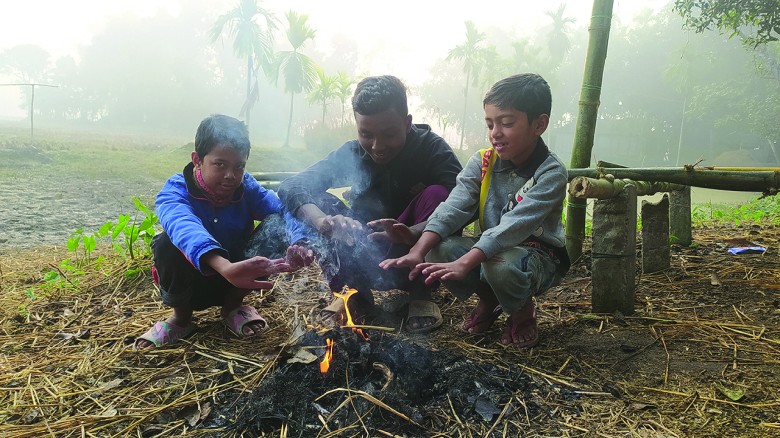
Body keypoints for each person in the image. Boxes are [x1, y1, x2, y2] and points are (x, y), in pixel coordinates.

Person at [380, 73, 570, 348]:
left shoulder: (551, 172)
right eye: (490, 124)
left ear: (539, 124)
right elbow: (453, 207)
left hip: (538, 255)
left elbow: (513, 226)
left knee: (501, 266)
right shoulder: (482, 162)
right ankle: (490, 300)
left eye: (506, 123)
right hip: (491, 249)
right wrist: (417, 251)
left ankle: (522, 312)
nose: (495, 133)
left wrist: (466, 262)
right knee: (439, 249)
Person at [266, 75, 462, 333]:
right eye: (366, 134)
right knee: (321, 203)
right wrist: (323, 221)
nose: (377, 146)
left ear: (407, 122)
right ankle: (353, 292)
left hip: (411, 250)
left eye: (389, 134)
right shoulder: (352, 153)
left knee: (438, 194)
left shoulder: (431, 149)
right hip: (361, 247)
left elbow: (464, 202)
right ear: (356, 125)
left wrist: (414, 231)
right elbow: (292, 186)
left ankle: (421, 295)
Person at [135, 114, 313, 350]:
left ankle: (232, 307)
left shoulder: (247, 187)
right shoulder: (175, 191)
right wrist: (224, 267)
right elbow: (183, 226)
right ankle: (181, 318)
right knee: (167, 243)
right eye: (220, 164)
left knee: (277, 225)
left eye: (239, 166)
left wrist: (300, 241)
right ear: (197, 159)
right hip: (194, 281)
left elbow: (282, 209)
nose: (231, 175)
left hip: (240, 277)